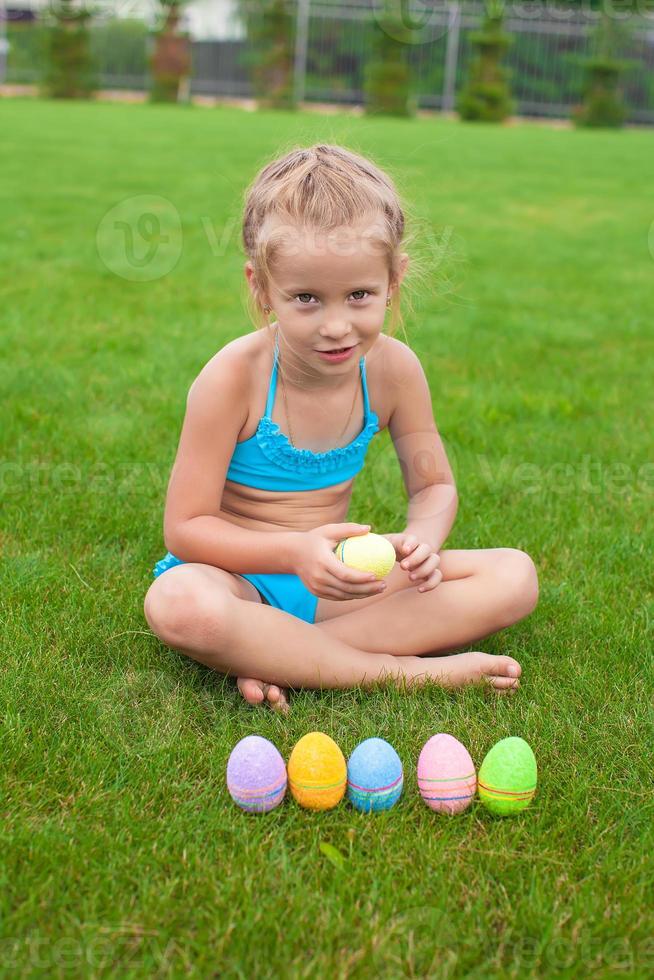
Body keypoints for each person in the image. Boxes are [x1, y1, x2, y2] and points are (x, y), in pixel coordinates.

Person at [144, 143, 538, 714]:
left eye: (359, 295)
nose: (336, 326)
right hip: (238, 580)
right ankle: (400, 673)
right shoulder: (232, 378)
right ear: (261, 288)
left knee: (514, 575)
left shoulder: (395, 372)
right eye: (306, 298)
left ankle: (283, 656)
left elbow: (434, 487)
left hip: (339, 586)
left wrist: (423, 541)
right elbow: (184, 528)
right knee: (179, 603)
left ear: (394, 280)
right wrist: (294, 553)